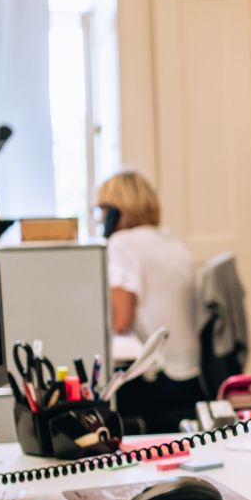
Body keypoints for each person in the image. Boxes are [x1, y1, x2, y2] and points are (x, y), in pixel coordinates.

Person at [96, 171, 203, 432]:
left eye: (102, 210)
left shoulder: (122, 244)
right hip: (191, 379)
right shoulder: (170, 241)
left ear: (115, 212)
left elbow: (121, 321)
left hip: (157, 383)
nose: (99, 218)